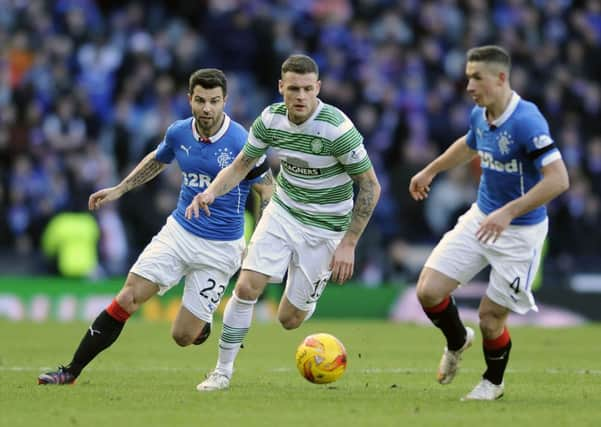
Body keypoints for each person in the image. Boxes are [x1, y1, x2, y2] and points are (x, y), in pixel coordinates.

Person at [38, 68, 273, 385]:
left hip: (220, 249)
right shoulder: (179, 132)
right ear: (189, 98)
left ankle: (200, 324)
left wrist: (259, 242)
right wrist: (119, 189)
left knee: (182, 336)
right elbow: (158, 159)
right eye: (201, 100)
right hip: (179, 232)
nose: (207, 108)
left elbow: (266, 190)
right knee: (127, 298)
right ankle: (70, 371)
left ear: (225, 101)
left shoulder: (242, 142)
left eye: (214, 101)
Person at [186, 54, 381, 391]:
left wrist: (349, 244)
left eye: (307, 89)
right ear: (281, 88)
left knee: (289, 320)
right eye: (293, 88)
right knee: (246, 287)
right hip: (283, 212)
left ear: (318, 88)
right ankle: (222, 371)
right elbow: (242, 164)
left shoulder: (336, 128)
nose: (300, 96)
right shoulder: (270, 119)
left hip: (326, 228)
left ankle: (307, 288)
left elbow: (370, 185)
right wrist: (211, 192)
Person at [409, 45, 569, 400]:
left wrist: (510, 211)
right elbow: (469, 145)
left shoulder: (527, 121)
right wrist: (431, 169)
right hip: (482, 217)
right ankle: (457, 340)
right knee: (429, 290)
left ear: (500, 78)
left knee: (490, 318)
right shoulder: (480, 115)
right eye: (467, 78)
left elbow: (559, 180)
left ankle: (492, 384)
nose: (469, 86)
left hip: (520, 233)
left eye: (476, 78)